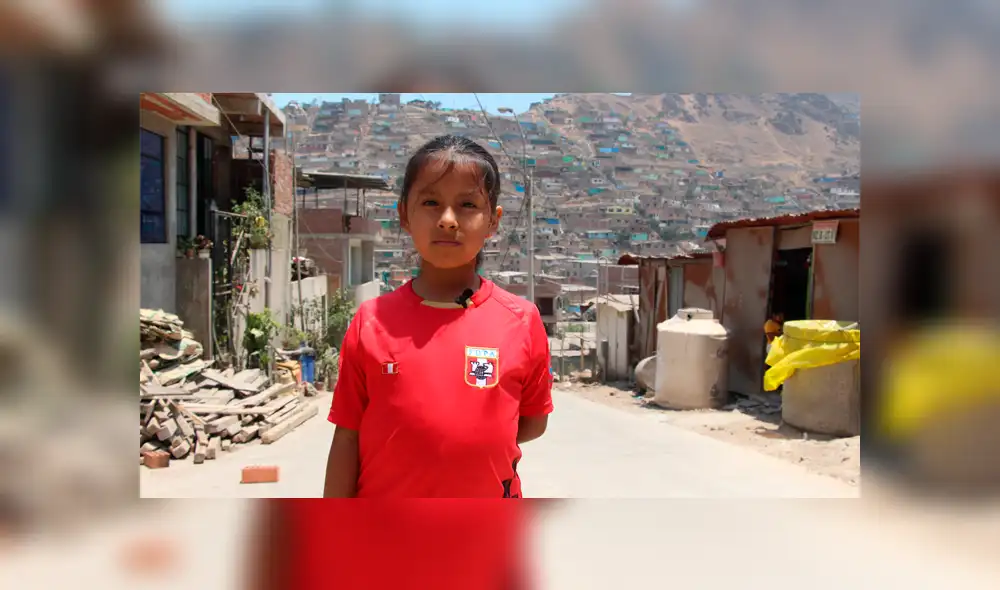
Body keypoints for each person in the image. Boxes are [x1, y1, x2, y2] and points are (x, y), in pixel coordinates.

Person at [323, 135, 554, 499]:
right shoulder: (372, 322)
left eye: (467, 204)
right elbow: (348, 434)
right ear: (404, 214)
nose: (448, 220)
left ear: (493, 221)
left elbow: (531, 420)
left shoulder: (521, 321)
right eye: (431, 202)